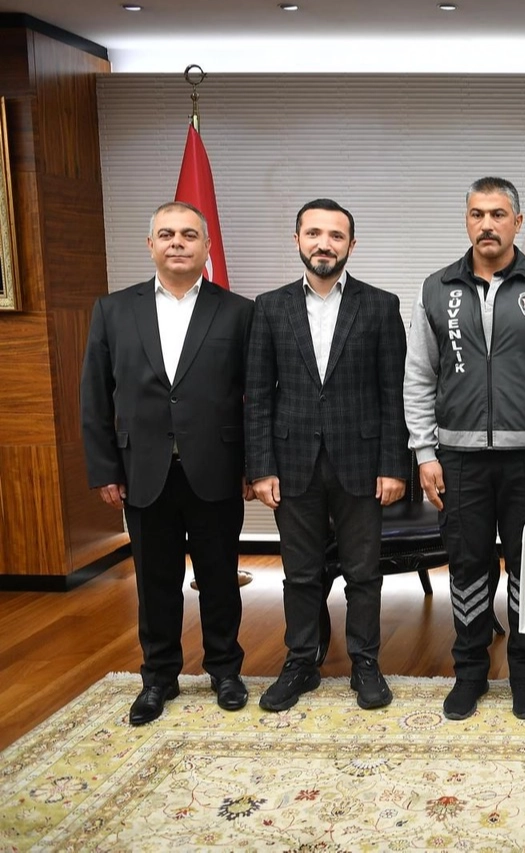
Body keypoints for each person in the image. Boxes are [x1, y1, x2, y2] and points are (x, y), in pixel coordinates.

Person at [404, 177, 525, 721]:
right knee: (467, 566)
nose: (487, 224)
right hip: (457, 458)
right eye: (477, 214)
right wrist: (424, 453)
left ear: (517, 221)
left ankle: (524, 674)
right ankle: (470, 673)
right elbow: (418, 376)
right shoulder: (436, 289)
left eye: (498, 214)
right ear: (466, 220)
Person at [80, 201, 254, 725]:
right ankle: (158, 678)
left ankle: (225, 671)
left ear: (206, 246)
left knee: (219, 577)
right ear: (151, 245)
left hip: (217, 468)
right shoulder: (113, 310)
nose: (177, 242)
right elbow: (94, 395)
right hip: (142, 471)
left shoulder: (239, 311)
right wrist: (104, 469)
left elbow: (256, 397)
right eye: (167, 234)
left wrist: (254, 465)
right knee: (154, 582)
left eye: (188, 235)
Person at [245, 199, 408, 712]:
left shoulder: (380, 306)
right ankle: (301, 662)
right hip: (292, 463)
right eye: (314, 233)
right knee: (300, 574)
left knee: (363, 573)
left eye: (336, 236)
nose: (324, 244)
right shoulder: (269, 307)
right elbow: (258, 395)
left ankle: (365, 663)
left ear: (351, 245)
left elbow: (393, 394)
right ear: (297, 240)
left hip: (361, 462)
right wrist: (261, 467)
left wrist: (393, 465)